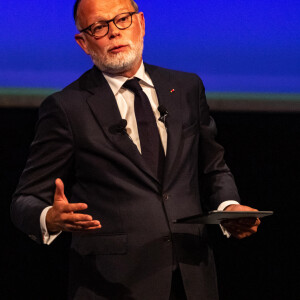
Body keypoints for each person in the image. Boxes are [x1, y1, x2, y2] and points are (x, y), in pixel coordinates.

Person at [11, 0, 261, 299]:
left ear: (141, 23)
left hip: (193, 276)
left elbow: (214, 167)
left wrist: (228, 208)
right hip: (112, 284)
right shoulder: (66, 107)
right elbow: (24, 199)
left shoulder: (186, 87)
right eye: (99, 27)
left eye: (122, 20)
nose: (114, 33)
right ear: (83, 42)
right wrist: (49, 217)